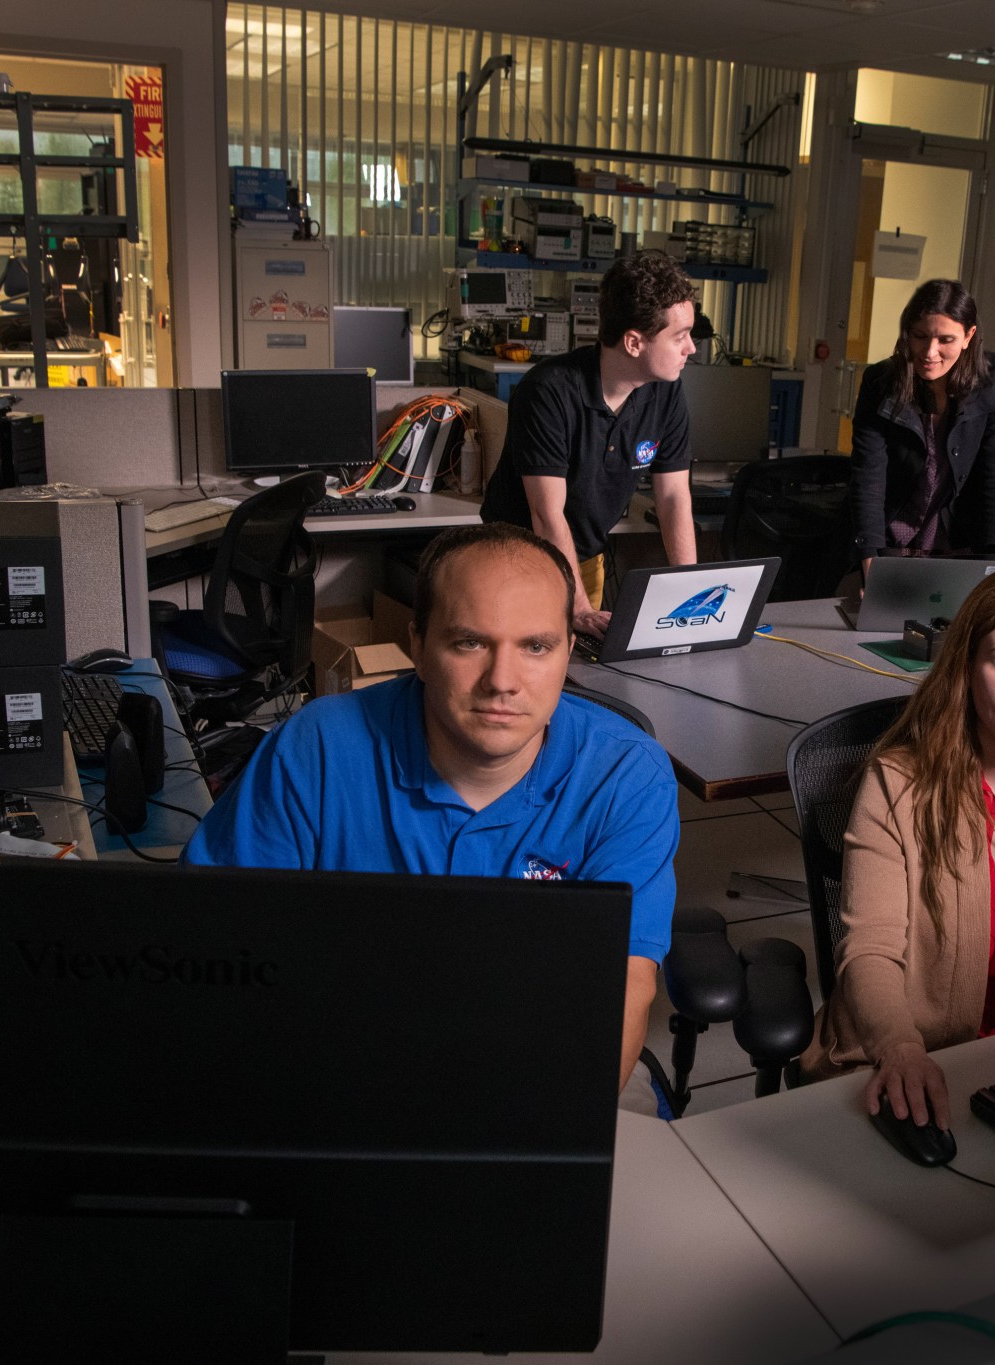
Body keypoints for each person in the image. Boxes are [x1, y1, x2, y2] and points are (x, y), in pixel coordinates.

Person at [183, 523, 678, 1105]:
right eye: (470, 642)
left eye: (536, 646)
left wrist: (558, 1141)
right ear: (417, 646)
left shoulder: (626, 773)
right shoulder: (314, 749)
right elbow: (220, 949)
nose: (502, 682)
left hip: (544, 1062)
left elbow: (624, 982)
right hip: (349, 1062)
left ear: (570, 650)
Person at [797, 566, 995, 1131]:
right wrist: (900, 1048)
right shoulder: (898, 785)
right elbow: (869, 947)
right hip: (930, 1066)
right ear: (966, 668)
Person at [480, 251, 699, 640]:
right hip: (516, 561)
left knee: (581, 673)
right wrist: (578, 609)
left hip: (583, 560)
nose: (691, 349)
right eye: (680, 337)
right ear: (634, 342)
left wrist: (690, 592)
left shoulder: (666, 393)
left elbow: (673, 498)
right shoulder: (549, 392)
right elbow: (547, 514)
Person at [849, 279, 995, 571]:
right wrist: (871, 563)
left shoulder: (993, 378)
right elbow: (868, 477)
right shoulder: (880, 381)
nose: (929, 352)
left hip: (956, 541)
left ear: (969, 336)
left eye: (945, 340)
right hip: (888, 538)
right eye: (920, 336)